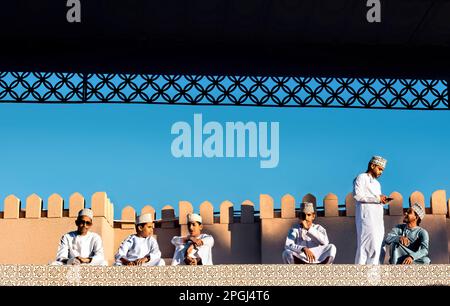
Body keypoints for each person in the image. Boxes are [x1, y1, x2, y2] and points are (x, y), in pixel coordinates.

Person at [354, 155, 390, 265]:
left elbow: (377, 200)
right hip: (366, 218)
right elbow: (358, 196)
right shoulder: (361, 177)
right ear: (372, 165)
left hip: (378, 219)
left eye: (382, 170)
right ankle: (360, 276)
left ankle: (373, 277)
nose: (381, 172)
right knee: (365, 246)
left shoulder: (377, 184)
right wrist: (377, 199)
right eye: (379, 169)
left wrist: (382, 201)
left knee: (377, 246)